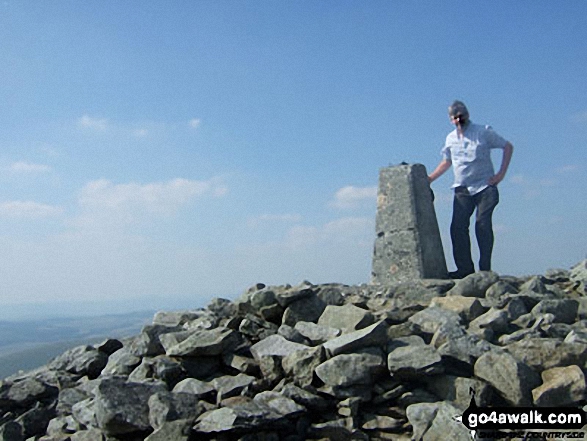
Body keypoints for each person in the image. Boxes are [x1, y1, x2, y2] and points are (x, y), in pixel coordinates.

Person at [428, 100, 514, 278]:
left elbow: (507, 146)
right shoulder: (450, 138)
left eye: (462, 116)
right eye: (455, 117)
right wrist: (429, 179)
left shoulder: (483, 132)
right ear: (451, 119)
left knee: (482, 224)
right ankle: (464, 270)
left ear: (467, 115)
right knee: (457, 228)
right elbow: (446, 162)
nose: (459, 120)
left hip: (485, 186)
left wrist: (500, 175)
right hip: (462, 189)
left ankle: (484, 269)